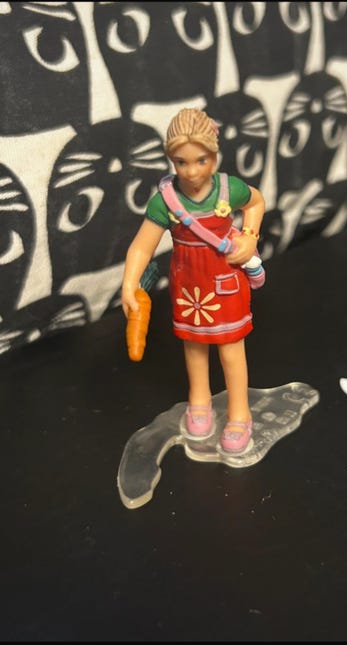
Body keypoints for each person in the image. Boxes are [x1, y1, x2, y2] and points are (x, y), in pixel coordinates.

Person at [121, 107, 265, 454]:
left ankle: (239, 413)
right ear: (171, 160)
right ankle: (199, 400)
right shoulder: (165, 202)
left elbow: (256, 203)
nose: (192, 171)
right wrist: (129, 284)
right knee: (194, 345)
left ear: (214, 156)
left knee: (231, 349)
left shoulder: (229, 190)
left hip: (225, 279)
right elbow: (142, 246)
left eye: (201, 160)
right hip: (189, 284)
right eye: (181, 162)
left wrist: (249, 237)